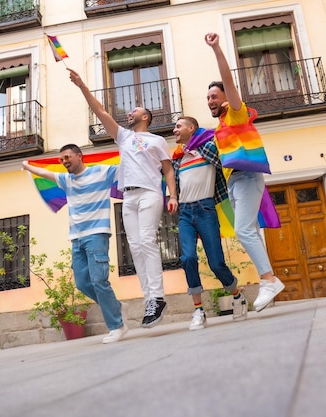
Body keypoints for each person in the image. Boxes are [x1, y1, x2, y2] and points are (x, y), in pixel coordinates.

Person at [67, 68, 178, 328]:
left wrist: (172, 195)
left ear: (145, 116)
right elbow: (101, 112)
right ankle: (149, 299)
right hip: (128, 198)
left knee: (149, 242)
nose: (129, 113)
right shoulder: (123, 136)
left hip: (151, 193)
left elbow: (168, 169)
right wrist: (82, 85)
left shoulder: (157, 140)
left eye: (134, 111)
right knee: (136, 247)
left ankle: (158, 297)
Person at [204, 32, 285, 312]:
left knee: (243, 229)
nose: (211, 101)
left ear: (227, 97)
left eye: (215, 96)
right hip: (235, 181)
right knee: (248, 230)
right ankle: (269, 279)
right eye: (208, 98)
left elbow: (228, 80)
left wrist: (217, 50)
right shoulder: (220, 126)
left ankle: (269, 279)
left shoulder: (236, 113)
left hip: (246, 176)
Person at [22, 144, 128, 344]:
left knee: (99, 281)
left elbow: (127, 164)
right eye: (61, 159)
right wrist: (28, 167)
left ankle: (117, 326)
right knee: (82, 283)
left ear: (79, 156)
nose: (64, 162)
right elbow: (44, 173)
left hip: (97, 234)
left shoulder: (101, 172)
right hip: (76, 238)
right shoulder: (66, 180)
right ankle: (115, 305)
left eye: (67, 157)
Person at [171, 116, 247, 330]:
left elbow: (223, 153)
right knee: (187, 258)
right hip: (185, 211)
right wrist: (172, 197)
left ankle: (237, 296)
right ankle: (198, 310)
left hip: (205, 209)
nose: (175, 130)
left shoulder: (207, 147)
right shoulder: (178, 158)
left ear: (191, 128)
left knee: (216, 263)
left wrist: (199, 146)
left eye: (179, 126)